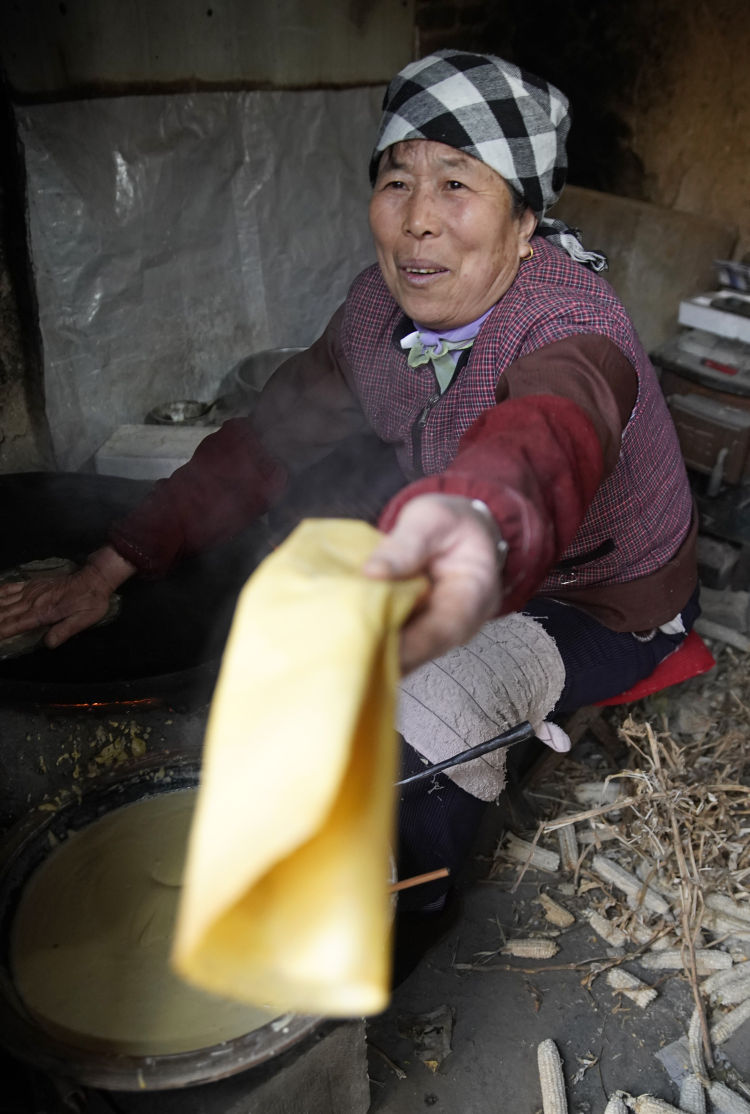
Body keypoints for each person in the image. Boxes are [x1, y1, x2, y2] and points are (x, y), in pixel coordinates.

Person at [0, 51, 697, 930]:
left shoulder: (571, 328)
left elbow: (544, 442)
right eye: (397, 180)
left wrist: (462, 533)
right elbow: (261, 444)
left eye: (456, 185)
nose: (418, 223)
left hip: (601, 597)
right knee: (299, 537)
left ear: (525, 223)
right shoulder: (375, 315)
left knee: (428, 698)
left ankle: (394, 927)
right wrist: (107, 566)